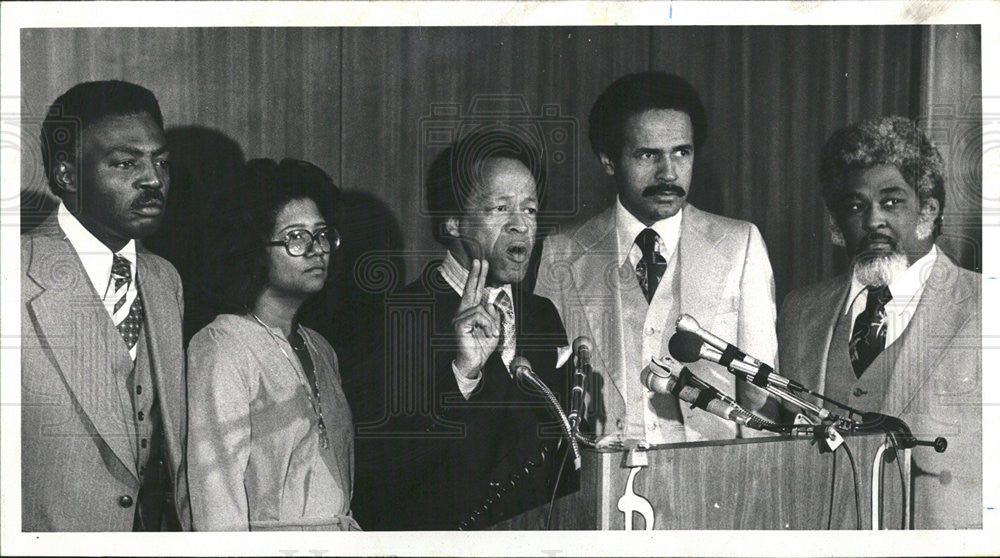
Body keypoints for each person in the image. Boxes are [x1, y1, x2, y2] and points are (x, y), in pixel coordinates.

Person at [351, 128, 578, 530]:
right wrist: (463, 374)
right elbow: (379, 464)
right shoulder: (397, 316)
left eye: (530, 209)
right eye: (499, 209)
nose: (521, 226)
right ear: (452, 221)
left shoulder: (542, 315)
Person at [536, 72, 777, 446]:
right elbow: (547, 398)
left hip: (714, 483)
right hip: (607, 485)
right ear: (608, 161)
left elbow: (762, 400)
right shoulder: (562, 251)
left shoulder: (740, 244)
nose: (668, 173)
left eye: (682, 152)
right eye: (647, 155)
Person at [777, 116, 981, 529]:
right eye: (855, 206)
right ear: (835, 225)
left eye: (892, 202)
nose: (873, 221)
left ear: (928, 211)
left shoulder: (985, 305)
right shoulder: (800, 311)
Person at [21, 80, 189, 531]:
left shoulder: (164, 280)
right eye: (125, 163)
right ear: (67, 176)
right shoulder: (13, 276)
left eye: (161, 162)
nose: (153, 179)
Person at [185, 159, 359, 531]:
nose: (317, 249)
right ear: (254, 250)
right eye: (296, 237)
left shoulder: (320, 348)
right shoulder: (223, 346)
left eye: (323, 234)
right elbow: (216, 503)